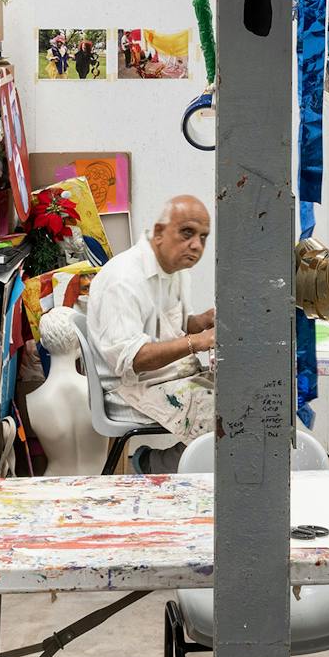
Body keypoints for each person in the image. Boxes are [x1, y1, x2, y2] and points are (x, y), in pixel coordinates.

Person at [89, 195, 216, 463]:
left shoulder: (176, 271)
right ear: (159, 232)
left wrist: (203, 321)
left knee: (245, 397)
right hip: (129, 389)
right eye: (187, 233)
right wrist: (198, 341)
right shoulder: (124, 279)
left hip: (168, 375)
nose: (196, 245)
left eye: (203, 237)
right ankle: (154, 465)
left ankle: (166, 464)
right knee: (227, 417)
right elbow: (135, 359)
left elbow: (173, 328)